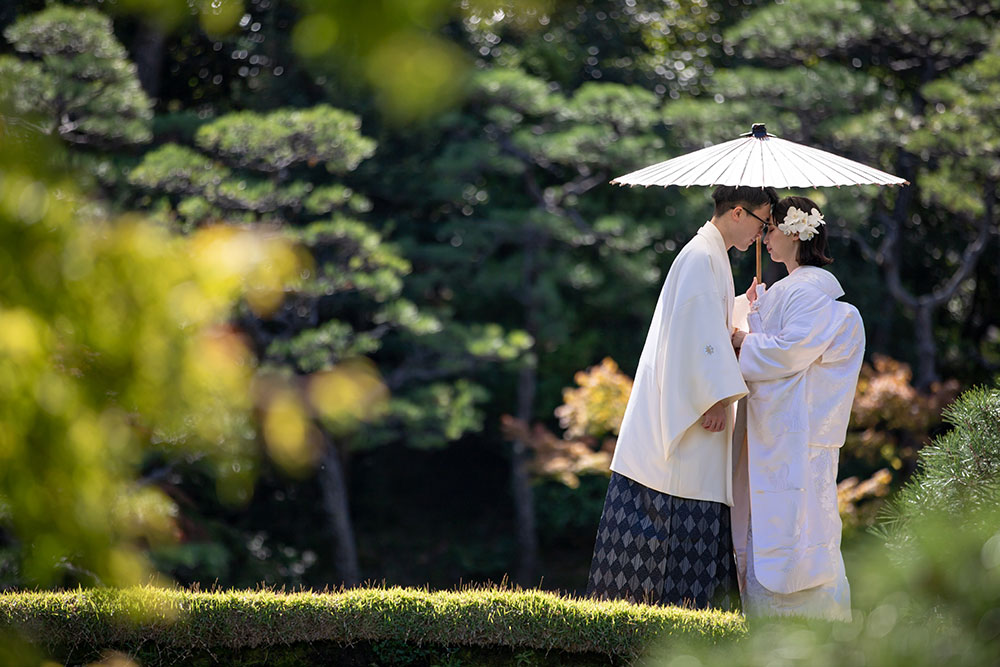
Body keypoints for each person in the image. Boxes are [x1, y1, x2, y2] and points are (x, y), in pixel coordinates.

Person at [586, 185, 777, 611]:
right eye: (762, 222)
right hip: (690, 418)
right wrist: (713, 397)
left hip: (684, 408)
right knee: (673, 545)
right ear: (738, 212)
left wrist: (743, 308)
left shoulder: (709, 255)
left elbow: (708, 325)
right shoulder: (701, 256)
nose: (761, 234)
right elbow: (695, 334)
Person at [730, 196, 865, 621]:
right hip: (787, 434)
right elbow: (783, 348)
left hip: (793, 433)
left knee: (795, 526)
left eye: (771, 229)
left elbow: (790, 353)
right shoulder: (795, 288)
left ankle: (797, 618)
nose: (765, 238)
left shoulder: (806, 290)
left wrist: (744, 340)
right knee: (792, 521)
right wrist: (754, 311)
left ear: (795, 233)